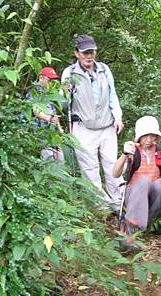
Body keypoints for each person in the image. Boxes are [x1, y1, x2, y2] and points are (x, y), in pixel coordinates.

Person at [61, 34, 125, 213]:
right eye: (85, 53)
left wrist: (118, 117)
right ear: (77, 53)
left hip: (107, 126)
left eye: (92, 52)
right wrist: (65, 92)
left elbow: (113, 95)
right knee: (90, 167)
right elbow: (64, 103)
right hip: (83, 127)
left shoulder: (104, 69)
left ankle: (118, 203)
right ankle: (101, 207)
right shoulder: (70, 73)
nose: (89, 56)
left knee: (112, 164)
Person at [112, 116, 161, 251]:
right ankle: (129, 232)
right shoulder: (133, 151)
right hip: (133, 194)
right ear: (139, 136)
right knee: (143, 180)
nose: (149, 140)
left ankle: (140, 226)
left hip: (151, 197)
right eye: (145, 136)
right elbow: (115, 173)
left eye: (152, 136)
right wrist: (124, 155)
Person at [25, 66, 64, 162]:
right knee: (47, 158)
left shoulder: (49, 94)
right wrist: (49, 119)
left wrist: (60, 130)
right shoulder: (34, 92)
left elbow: (53, 113)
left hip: (50, 135)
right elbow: (35, 110)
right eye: (50, 80)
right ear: (41, 78)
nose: (52, 83)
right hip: (38, 133)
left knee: (59, 158)